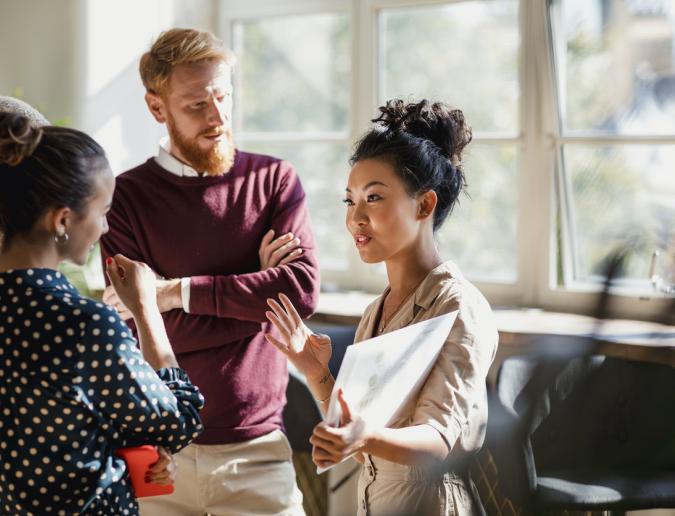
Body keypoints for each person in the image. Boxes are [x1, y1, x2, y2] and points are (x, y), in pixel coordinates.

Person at [100, 28, 319, 515]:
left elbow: (298, 294)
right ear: (158, 108)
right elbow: (138, 331)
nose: (218, 117)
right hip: (159, 457)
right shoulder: (123, 199)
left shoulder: (274, 181)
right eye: (197, 105)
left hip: (258, 453)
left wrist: (171, 293)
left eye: (224, 97)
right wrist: (255, 302)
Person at [265, 99, 498, 515]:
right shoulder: (377, 311)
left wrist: (364, 437)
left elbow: (437, 441)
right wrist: (317, 374)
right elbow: (358, 444)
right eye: (349, 201)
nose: (356, 217)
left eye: (373, 198)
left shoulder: (458, 307)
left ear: (425, 205)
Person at [0, 112, 205, 515]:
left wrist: (125, 448)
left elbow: (46, 429)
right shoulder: (83, 324)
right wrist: (146, 310)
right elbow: (178, 420)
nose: (106, 227)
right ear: (63, 219)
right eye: (103, 210)